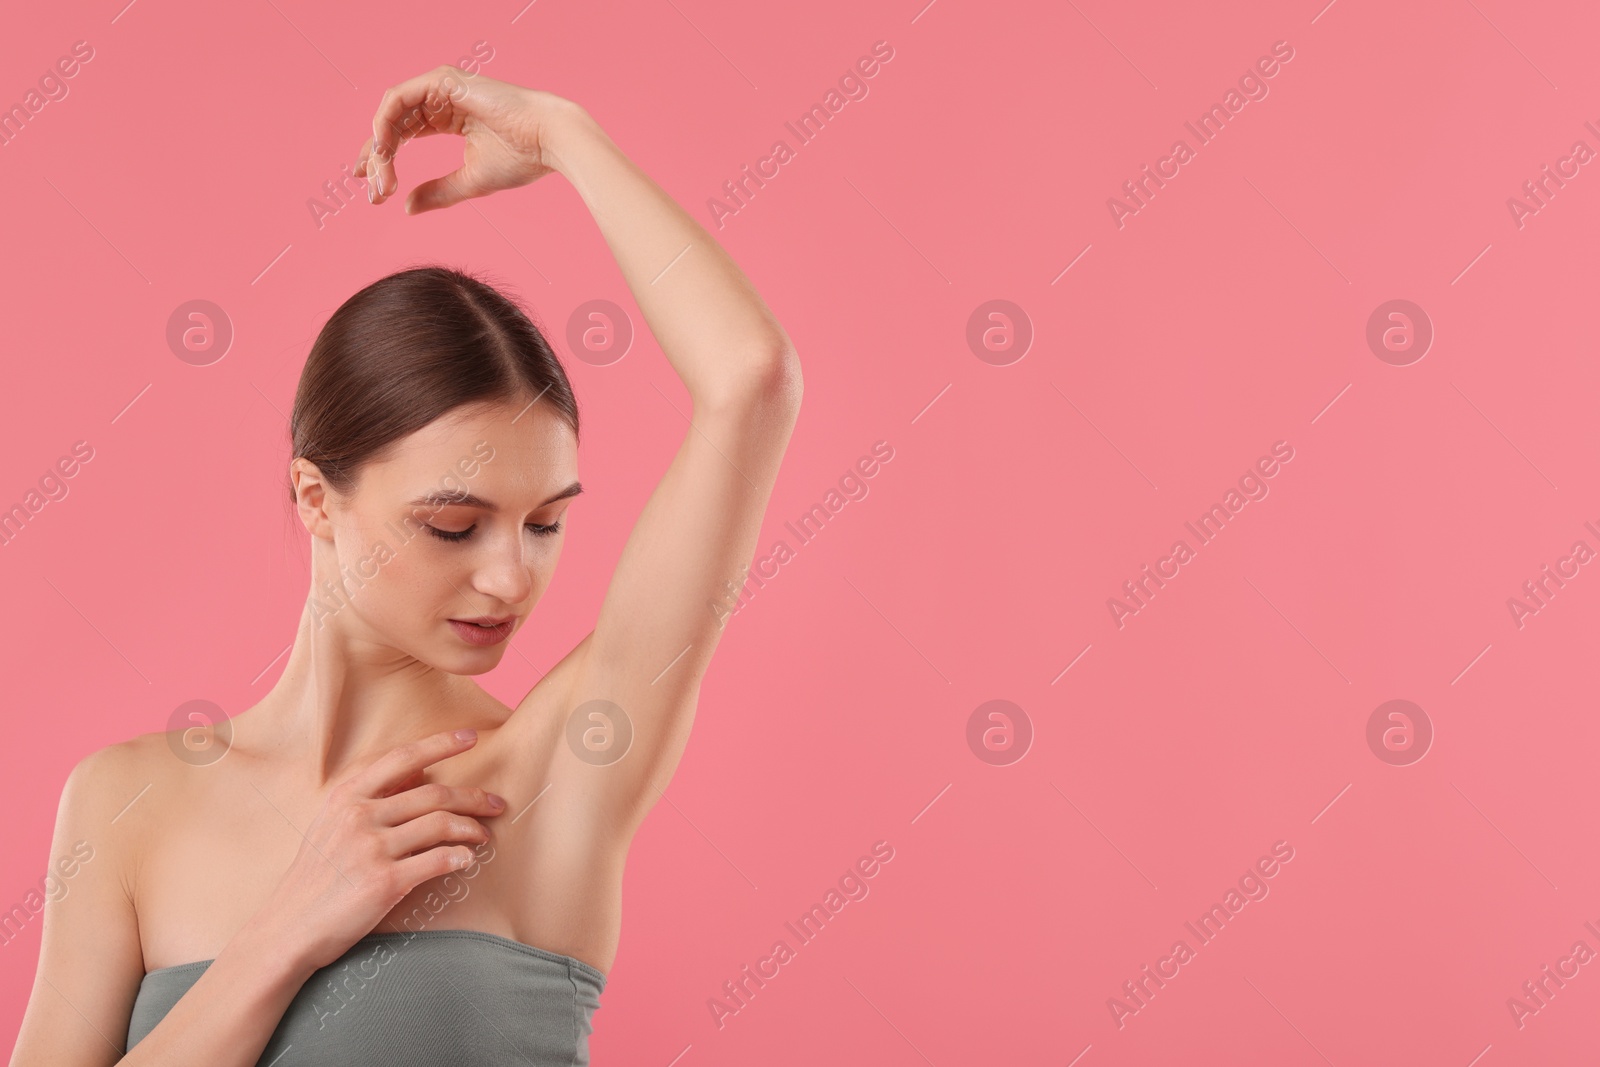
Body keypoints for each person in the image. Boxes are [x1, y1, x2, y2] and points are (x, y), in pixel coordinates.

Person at [8, 66, 802, 1066]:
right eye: (453, 525)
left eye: (546, 523)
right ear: (315, 498)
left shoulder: (550, 776)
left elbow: (752, 380)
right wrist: (280, 936)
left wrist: (565, 136)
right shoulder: (127, 802)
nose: (512, 579)